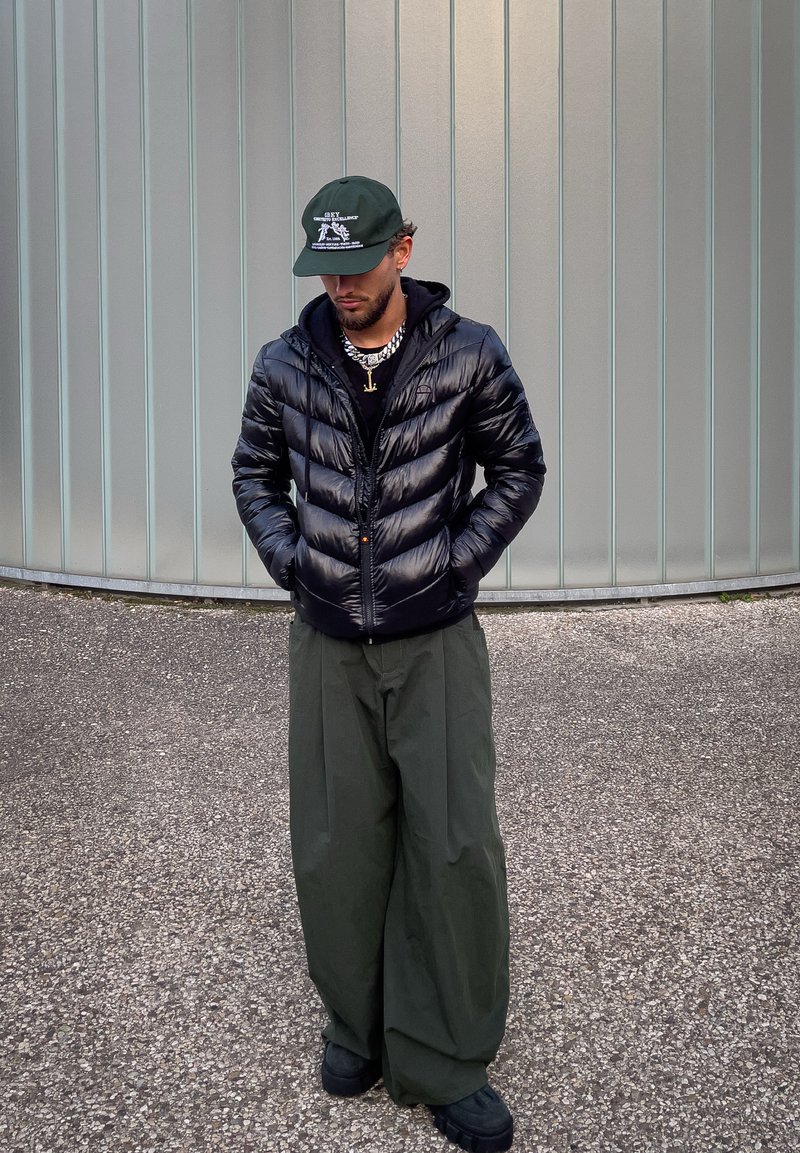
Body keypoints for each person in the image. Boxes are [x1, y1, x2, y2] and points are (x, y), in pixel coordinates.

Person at [232, 175, 545, 1153]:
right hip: (326, 641)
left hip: (433, 639)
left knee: (449, 844)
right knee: (336, 843)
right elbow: (253, 472)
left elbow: (518, 466)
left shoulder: (468, 355)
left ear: (401, 249)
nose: (341, 288)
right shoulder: (285, 365)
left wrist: (454, 563)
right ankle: (355, 1026)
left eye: (357, 266)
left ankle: (446, 1057)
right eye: (324, 271)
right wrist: (295, 563)